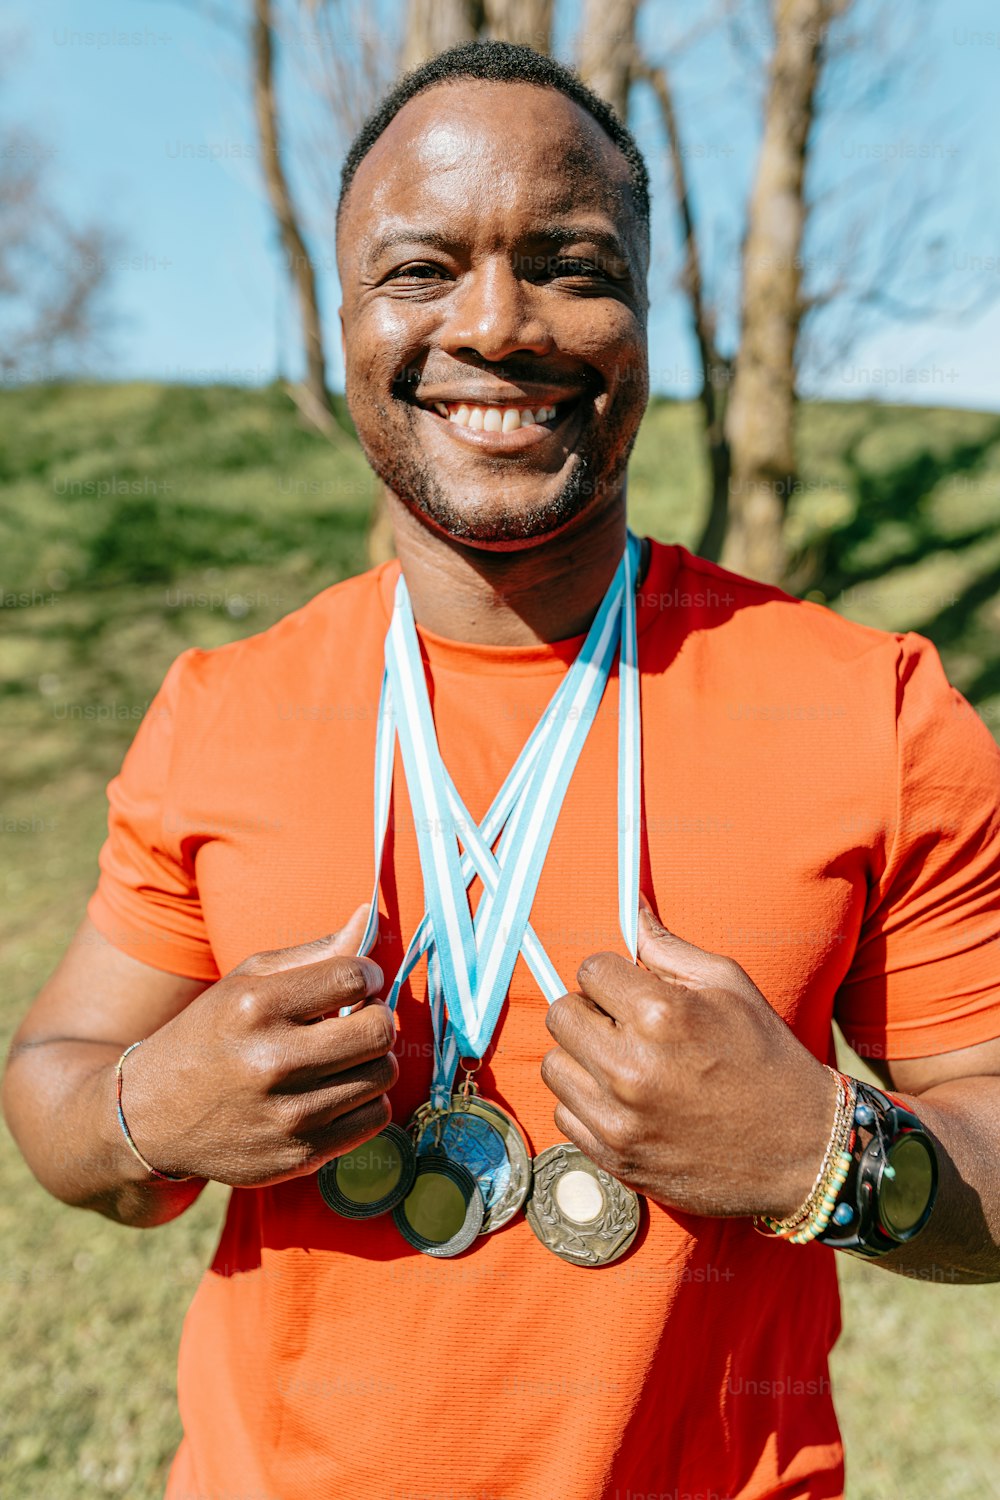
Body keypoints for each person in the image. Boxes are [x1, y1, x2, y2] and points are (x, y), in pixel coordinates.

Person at [4, 38, 1000, 1500]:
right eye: (420, 270)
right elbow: (52, 1084)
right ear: (339, 316)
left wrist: (828, 1156)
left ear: (649, 314)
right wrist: (155, 1110)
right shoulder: (223, 705)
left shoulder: (876, 709)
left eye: (568, 265)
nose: (496, 324)